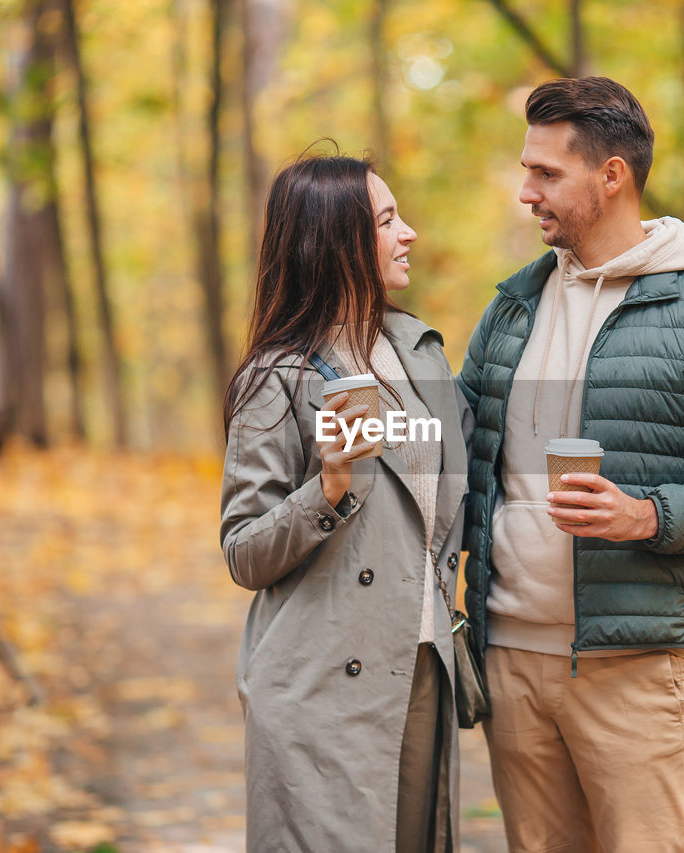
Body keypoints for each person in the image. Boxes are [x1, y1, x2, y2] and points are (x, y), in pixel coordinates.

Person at [458, 77, 684, 851]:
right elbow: (453, 445)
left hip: (641, 668)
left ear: (611, 176)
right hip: (512, 662)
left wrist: (647, 514)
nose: (524, 191)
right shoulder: (511, 308)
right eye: (526, 169)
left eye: (547, 173)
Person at [220, 152, 470, 852]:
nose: (409, 233)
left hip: (421, 670)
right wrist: (326, 489)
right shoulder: (279, 375)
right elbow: (243, 550)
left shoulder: (420, 357)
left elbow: (446, 512)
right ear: (337, 243)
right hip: (320, 690)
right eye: (388, 220)